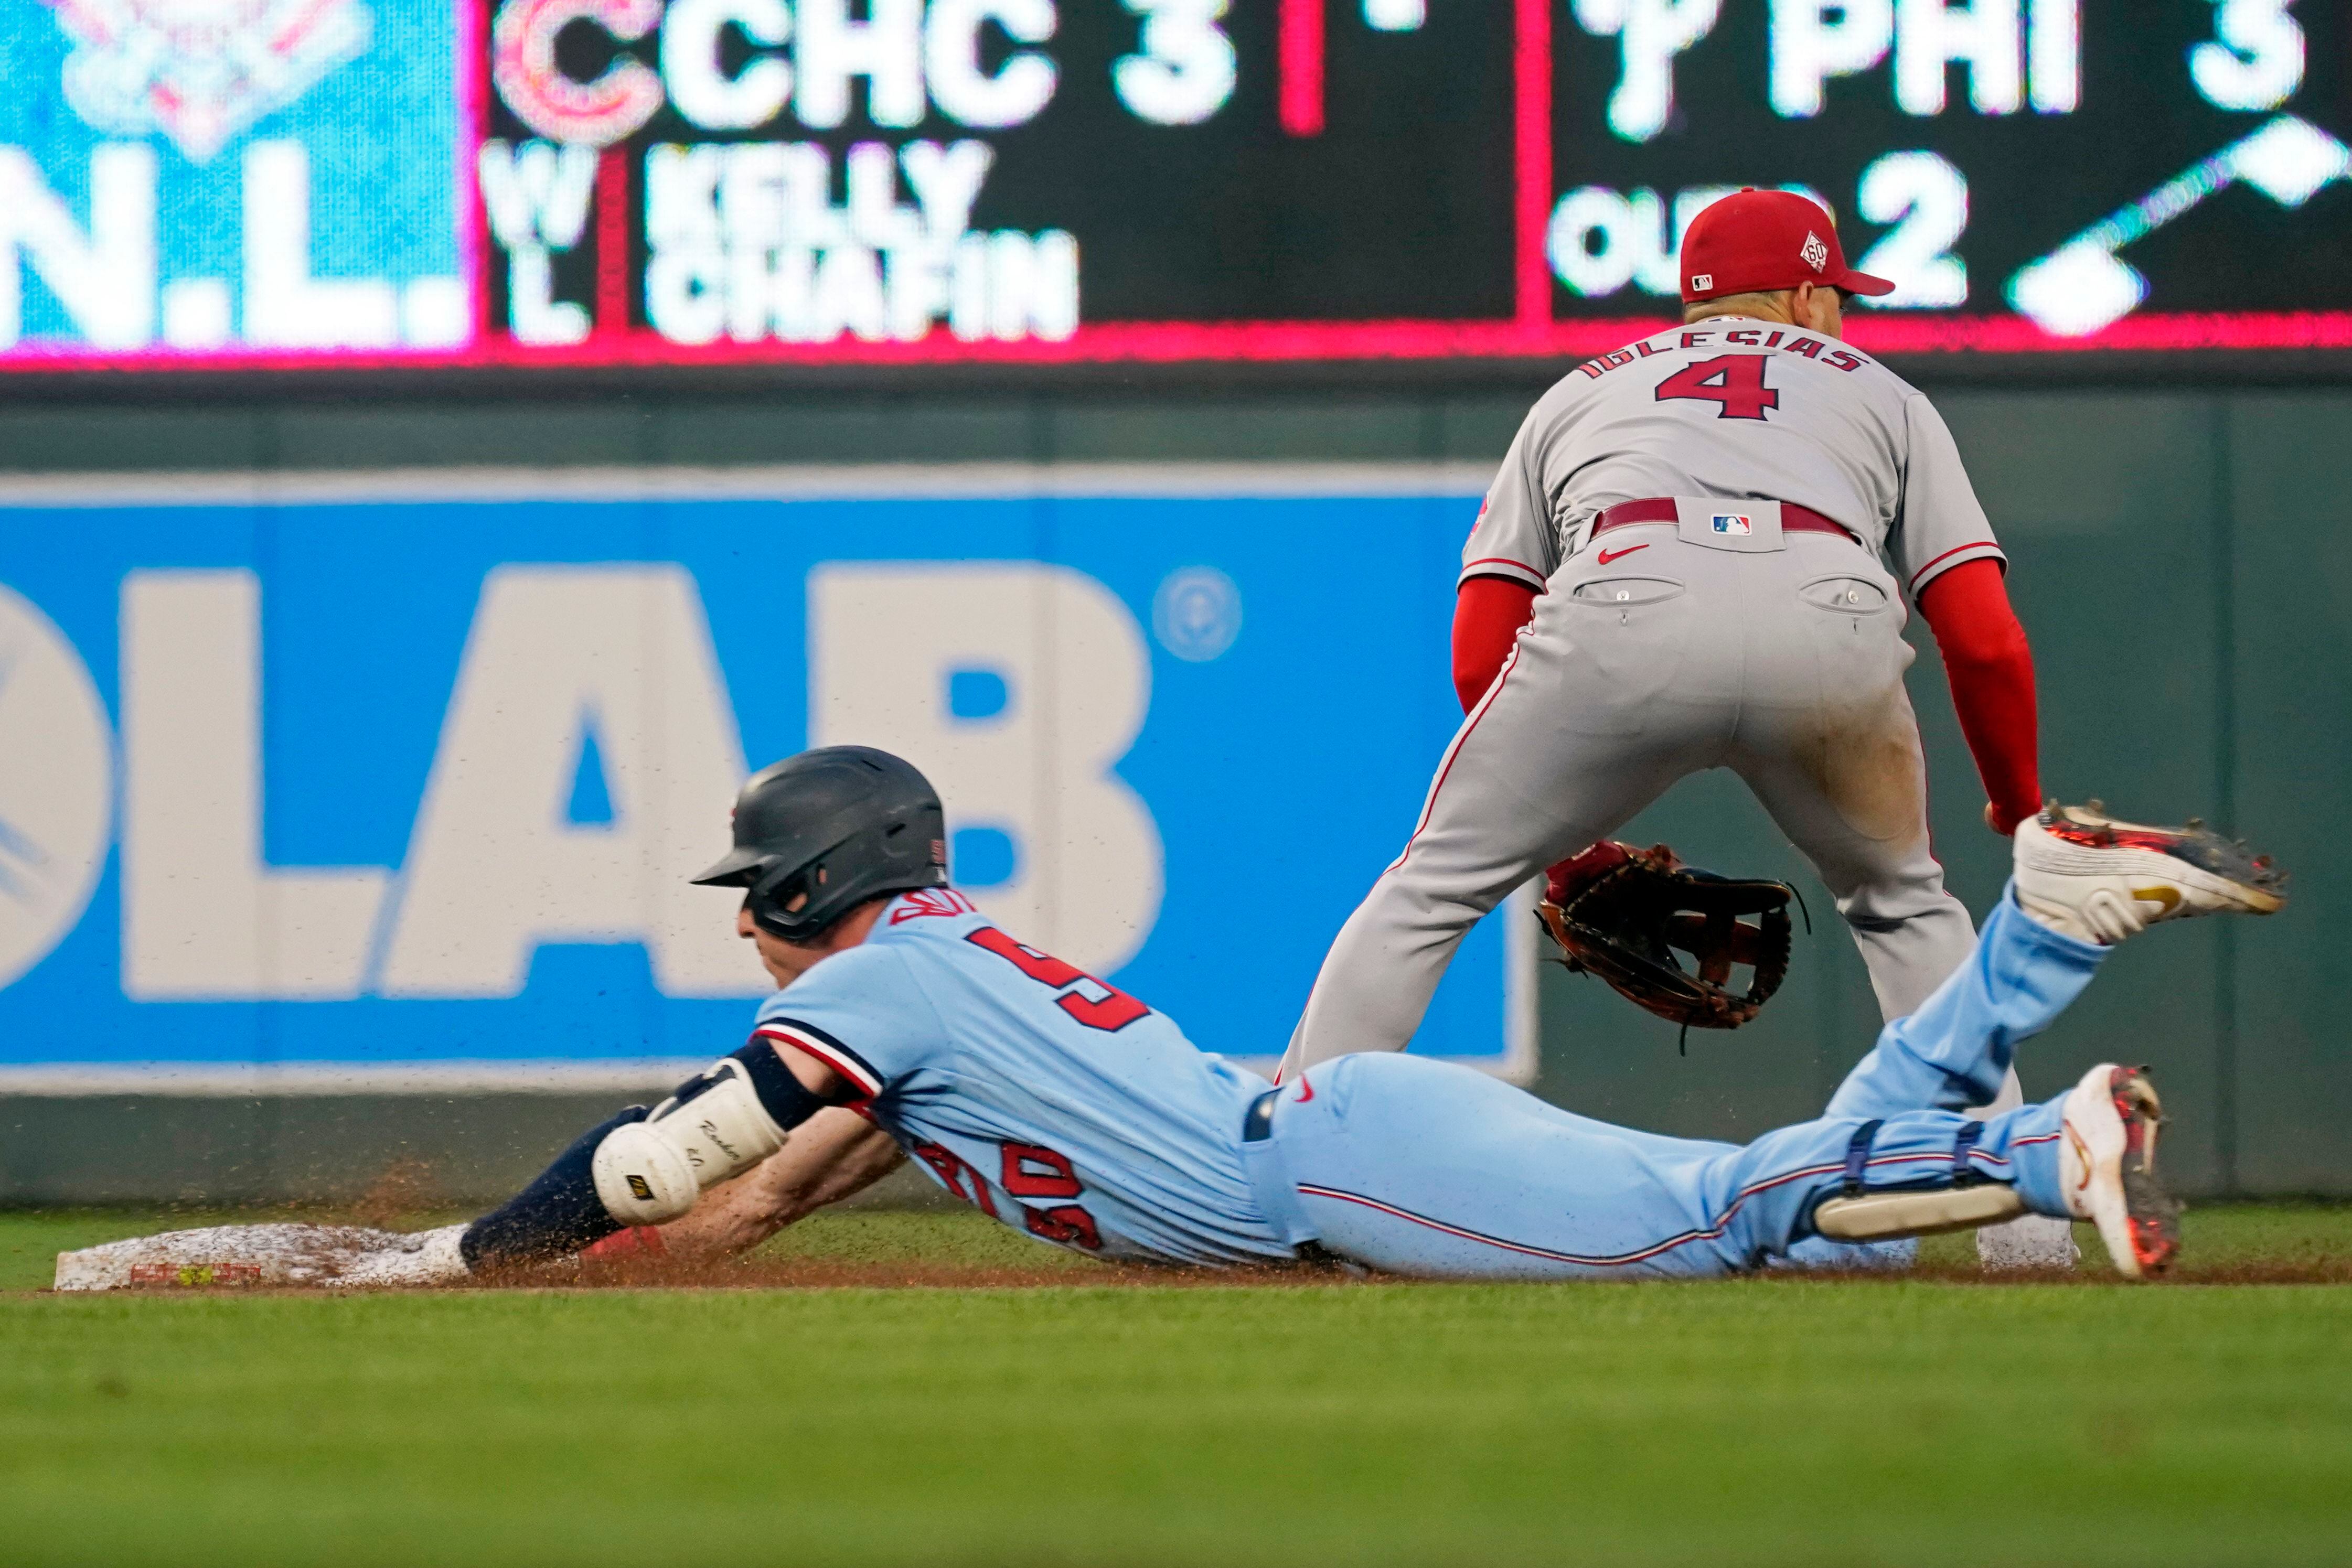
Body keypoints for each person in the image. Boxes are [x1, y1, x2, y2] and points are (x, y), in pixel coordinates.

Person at [56, 747, 2284, 1292]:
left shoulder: (891, 977)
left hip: (1319, 1156)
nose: (752, 928)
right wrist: (413, 1288)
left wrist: (455, 1257)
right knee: (1744, 1205)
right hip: (1324, 1141)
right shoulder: (918, 1004)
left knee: (1723, 1220)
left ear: (826, 885)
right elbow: (728, 1223)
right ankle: (2044, 940)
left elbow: (670, 1164)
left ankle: (2020, 1138)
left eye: (764, 894)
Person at [1275, 188, 2061, 1265]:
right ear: (1800, 291)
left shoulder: (1580, 393)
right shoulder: (1887, 397)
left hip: (1624, 601)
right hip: (1826, 609)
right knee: (1902, 904)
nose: (1842, 313)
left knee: (1432, 886)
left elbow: (1481, 639)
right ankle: (2018, 1240)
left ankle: (1270, 1178)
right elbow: (1984, 639)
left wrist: (1561, 842)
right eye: (1838, 292)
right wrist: (2015, 801)